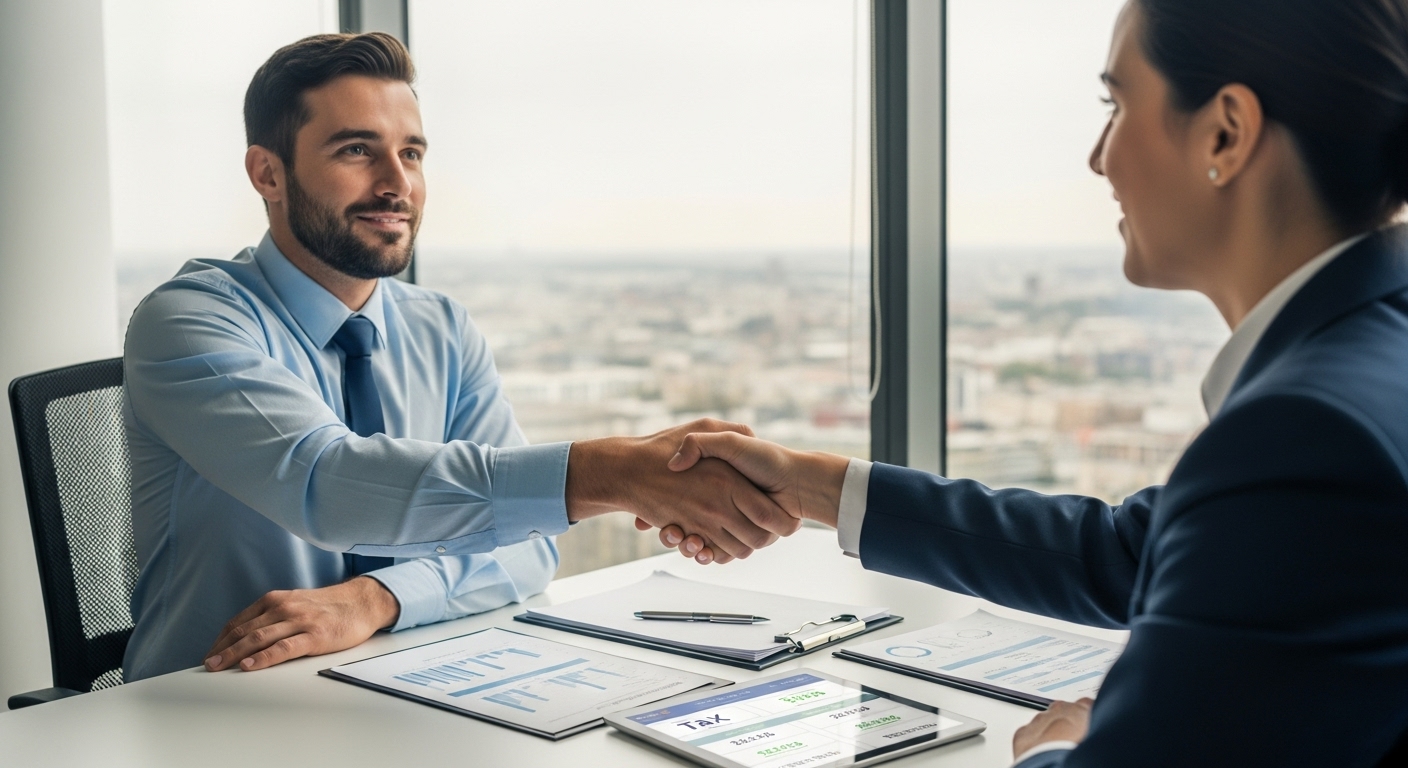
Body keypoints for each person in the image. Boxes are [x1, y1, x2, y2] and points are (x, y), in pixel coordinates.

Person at [648, 0, 1408, 764]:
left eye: (1116, 106)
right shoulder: (1368, 365)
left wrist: (1057, 749)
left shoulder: (1305, 436)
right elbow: (1127, 556)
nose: (1099, 158)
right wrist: (814, 486)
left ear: (1225, 133)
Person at [121, 32, 797, 682]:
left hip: (399, 683)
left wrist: (379, 598)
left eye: (411, 153)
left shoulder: (441, 328)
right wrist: (612, 472)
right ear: (268, 173)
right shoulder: (189, 321)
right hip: (209, 699)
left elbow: (527, 547)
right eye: (357, 150)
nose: (397, 183)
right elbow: (326, 484)